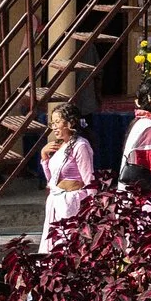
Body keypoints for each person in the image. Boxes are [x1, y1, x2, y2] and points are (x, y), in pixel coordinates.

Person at [38, 102, 94, 252]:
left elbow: (89, 178)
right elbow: (52, 181)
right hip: (57, 202)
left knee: (69, 245)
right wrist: (44, 156)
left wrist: (93, 208)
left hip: (73, 202)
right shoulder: (59, 146)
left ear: (71, 122)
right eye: (52, 123)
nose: (54, 126)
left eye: (58, 122)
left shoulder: (80, 145)